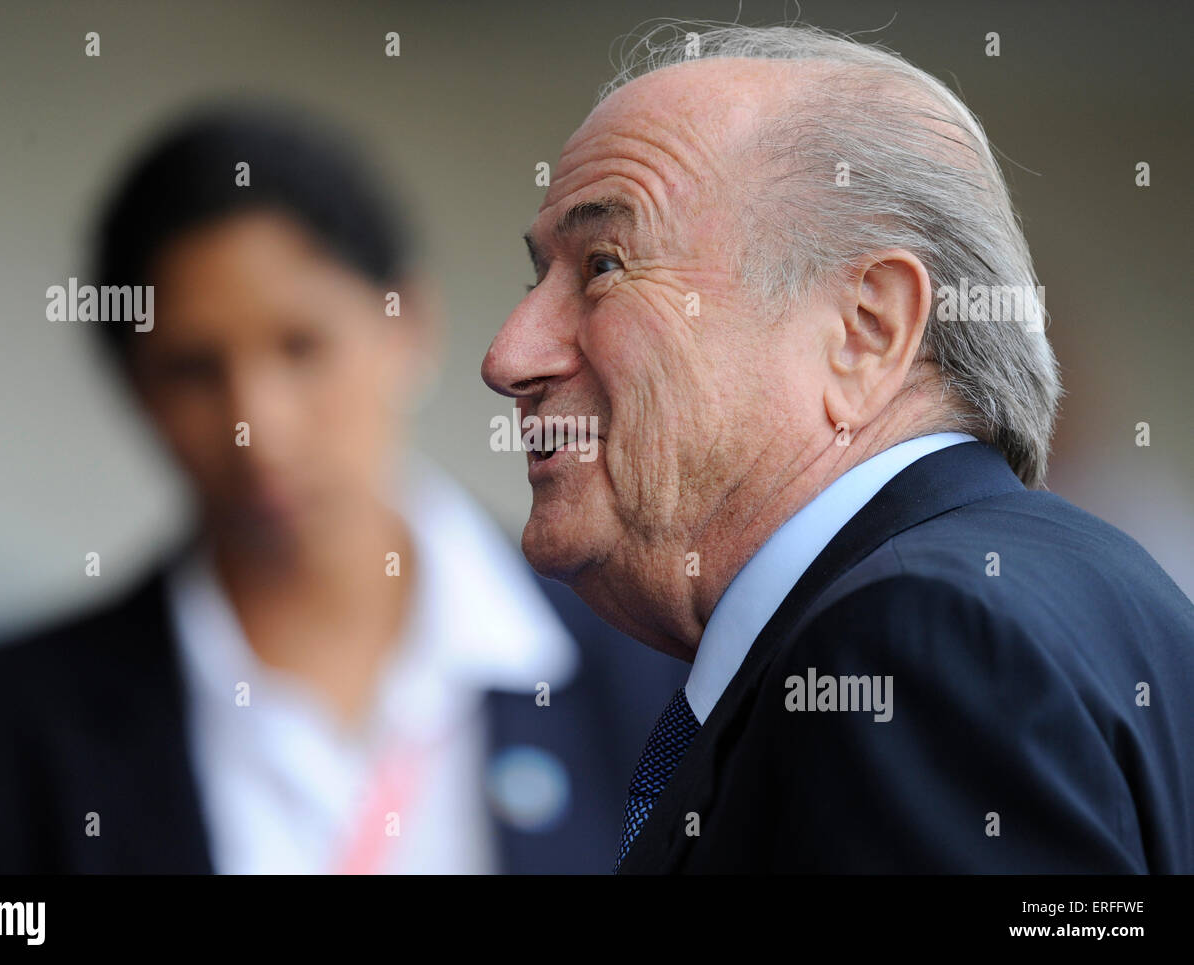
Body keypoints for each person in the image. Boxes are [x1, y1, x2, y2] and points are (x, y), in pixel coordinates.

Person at [0, 104, 685, 874]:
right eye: (194, 369)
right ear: (135, 389)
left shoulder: (657, 671)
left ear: (406, 324)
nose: (257, 428)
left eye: (302, 347)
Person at [480, 24, 1194, 873]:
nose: (510, 356)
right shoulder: (1090, 591)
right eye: (540, 277)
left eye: (604, 265)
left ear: (865, 330)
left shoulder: (913, 644)